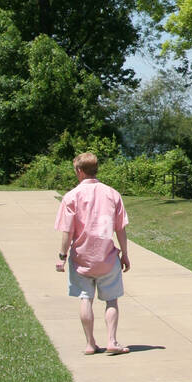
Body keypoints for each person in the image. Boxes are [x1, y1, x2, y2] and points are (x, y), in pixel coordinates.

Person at [54, 152, 131, 356]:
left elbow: (67, 231)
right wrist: (125, 254)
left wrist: (62, 256)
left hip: (81, 259)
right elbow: (120, 228)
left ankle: (90, 343)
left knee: (85, 298)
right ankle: (112, 340)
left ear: (79, 171)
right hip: (107, 258)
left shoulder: (71, 197)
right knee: (111, 299)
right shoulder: (112, 194)